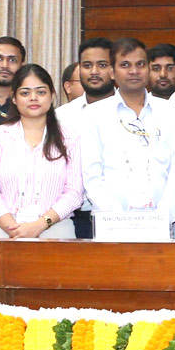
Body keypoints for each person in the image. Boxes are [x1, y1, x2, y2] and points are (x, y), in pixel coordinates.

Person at [80, 38, 175, 237]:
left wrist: (161, 217)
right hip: (111, 226)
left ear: (148, 69)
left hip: (161, 225)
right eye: (125, 65)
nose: (134, 71)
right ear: (112, 72)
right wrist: (122, 221)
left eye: (140, 64)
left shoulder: (169, 112)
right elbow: (92, 176)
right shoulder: (93, 115)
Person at [0, 64, 82, 239]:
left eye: (41, 92)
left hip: (55, 230)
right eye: (25, 93)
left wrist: (39, 226)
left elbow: (74, 192)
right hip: (4, 231)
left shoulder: (70, 138)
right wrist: (14, 228)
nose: (33, 98)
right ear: (15, 98)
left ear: (52, 96)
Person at [55, 37, 117, 239]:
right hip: (73, 216)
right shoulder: (61, 116)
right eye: (87, 65)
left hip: (123, 217)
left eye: (102, 65)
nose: (94, 72)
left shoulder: (131, 113)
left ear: (114, 69)